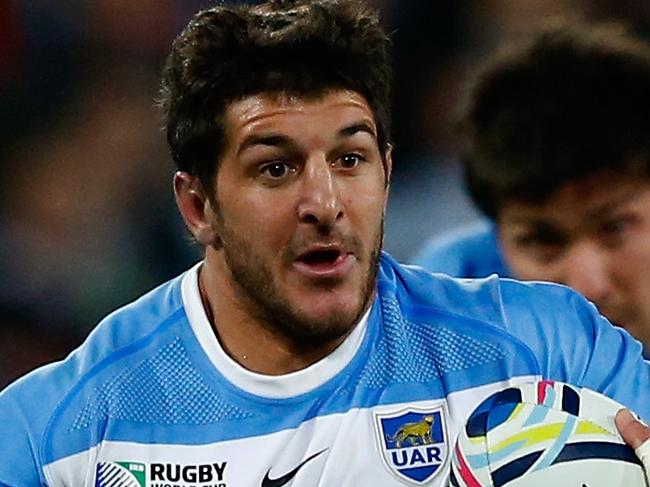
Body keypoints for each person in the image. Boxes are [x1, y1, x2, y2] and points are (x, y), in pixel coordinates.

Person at [1, 2, 650, 485]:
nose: (325, 203)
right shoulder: (64, 431)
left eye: (350, 158)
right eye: (275, 167)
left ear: (388, 172)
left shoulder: (547, 348)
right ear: (198, 205)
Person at [413, 24, 650, 352]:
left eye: (615, 227)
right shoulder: (445, 297)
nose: (587, 288)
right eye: (542, 242)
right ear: (496, 234)